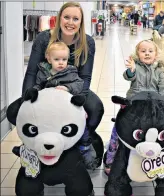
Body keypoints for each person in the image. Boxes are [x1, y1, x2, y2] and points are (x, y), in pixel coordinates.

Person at [22, 2, 104, 170]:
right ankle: (37, 146)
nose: (70, 22)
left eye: (76, 19)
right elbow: (31, 72)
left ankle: (81, 140)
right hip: (45, 88)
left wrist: (76, 98)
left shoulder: (87, 42)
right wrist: (27, 99)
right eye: (66, 17)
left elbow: (85, 77)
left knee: (96, 108)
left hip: (74, 87)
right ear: (59, 18)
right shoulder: (44, 38)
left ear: (81, 22)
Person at [104, 40, 164, 175]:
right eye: (143, 51)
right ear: (137, 54)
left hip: (154, 108)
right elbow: (128, 77)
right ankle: (110, 157)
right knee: (118, 128)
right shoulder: (136, 67)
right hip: (134, 106)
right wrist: (131, 70)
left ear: (156, 54)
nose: (147, 53)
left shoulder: (159, 71)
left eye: (150, 51)